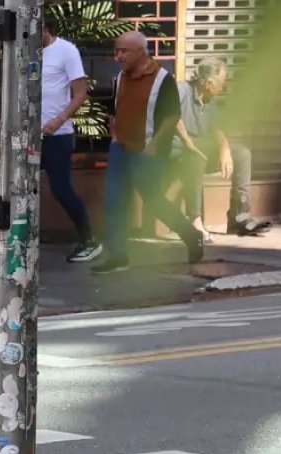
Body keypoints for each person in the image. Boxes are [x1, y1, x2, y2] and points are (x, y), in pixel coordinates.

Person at [93, 31, 203, 274]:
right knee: (114, 201)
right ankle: (118, 256)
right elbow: (115, 109)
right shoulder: (120, 77)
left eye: (124, 51)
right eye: (116, 51)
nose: (118, 56)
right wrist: (114, 136)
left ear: (140, 52)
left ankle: (190, 234)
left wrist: (154, 146)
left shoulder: (163, 79)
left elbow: (172, 116)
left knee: (153, 200)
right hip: (121, 149)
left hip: (148, 151)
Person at [172, 57, 271, 240]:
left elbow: (216, 127)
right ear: (208, 82)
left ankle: (238, 217)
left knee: (242, 154)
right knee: (195, 157)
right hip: (178, 151)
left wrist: (224, 149)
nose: (223, 87)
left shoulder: (209, 100)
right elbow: (172, 115)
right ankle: (195, 221)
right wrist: (188, 142)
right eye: (221, 82)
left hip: (199, 151)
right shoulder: (181, 90)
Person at [41, 17, 102, 263]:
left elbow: (80, 94)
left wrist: (59, 119)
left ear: (44, 28)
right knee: (14, 191)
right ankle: (11, 250)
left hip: (57, 135)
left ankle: (89, 240)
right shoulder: (19, 50)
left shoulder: (66, 50)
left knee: (61, 189)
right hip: (24, 135)